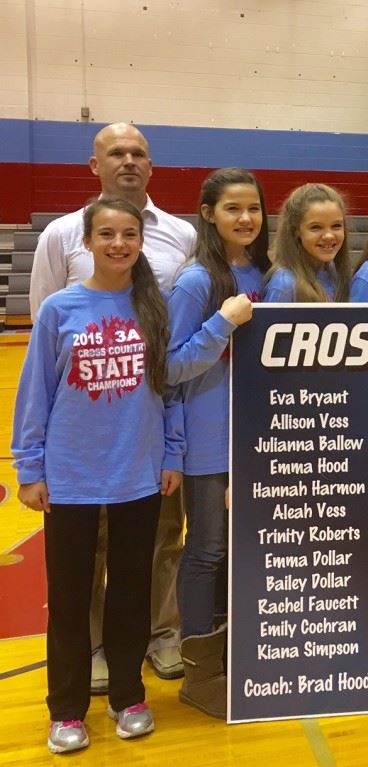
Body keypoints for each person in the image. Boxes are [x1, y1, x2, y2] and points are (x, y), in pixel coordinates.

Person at [13, 198, 184, 753]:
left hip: (138, 473)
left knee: (130, 594)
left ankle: (128, 696)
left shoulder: (153, 307)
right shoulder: (60, 310)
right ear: (86, 241)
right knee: (68, 598)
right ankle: (66, 709)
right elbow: (34, 392)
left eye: (129, 234)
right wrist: (30, 466)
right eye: (106, 234)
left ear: (140, 240)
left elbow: (169, 390)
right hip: (71, 476)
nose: (118, 244)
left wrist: (172, 454)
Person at [29, 122, 195, 690]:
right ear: (92, 165)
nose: (128, 160)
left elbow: (176, 348)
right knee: (88, 555)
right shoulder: (59, 237)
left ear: (151, 165)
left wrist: (173, 445)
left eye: (138, 153)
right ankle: (97, 649)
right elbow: (46, 341)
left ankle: (160, 634)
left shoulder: (180, 235)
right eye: (115, 153)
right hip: (83, 441)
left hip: (145, 439)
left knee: (161, 540)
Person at [167, 167, 268, 718]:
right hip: (209, 444)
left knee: (242, 551)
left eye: (253, 208)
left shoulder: (268, 272)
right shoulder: (197, 281)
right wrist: (221, 326)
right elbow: (168, 365)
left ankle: (238, 659)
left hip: (262, 438)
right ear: (208, 214)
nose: (246, 218)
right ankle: (199, 671)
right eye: (233, 208)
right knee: (207, 550)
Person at [263, 183, 350, 302]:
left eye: (336, 226)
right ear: (296, 231)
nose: (329, 236)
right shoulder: (284, 284)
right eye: (316, 227)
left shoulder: (334, 272)